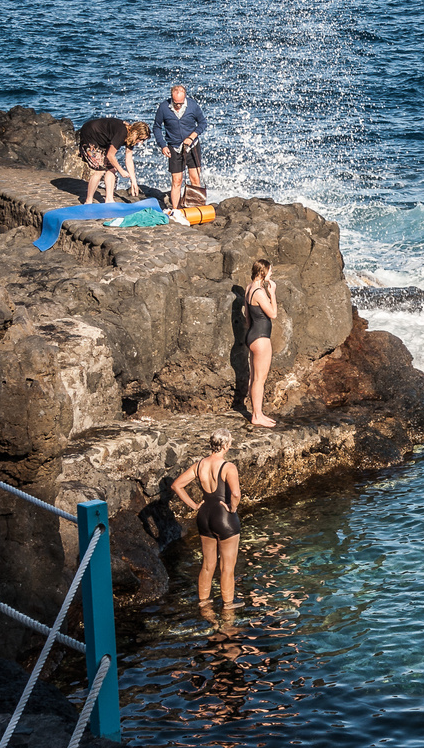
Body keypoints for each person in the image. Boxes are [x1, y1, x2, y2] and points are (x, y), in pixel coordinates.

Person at [170, 430, 244, 608]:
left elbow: (176, 485)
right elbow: (235, 493)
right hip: (224, 519)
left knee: (208, 565)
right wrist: (232, 508)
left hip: (204, 517)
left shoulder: (199, 465)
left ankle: (204, 604)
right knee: (227, 568)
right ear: (226, 446)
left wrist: (195, 506)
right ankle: (228, 606)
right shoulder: (228, 467)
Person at [155, 84, 206, 211]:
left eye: (181, 103)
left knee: (195, 178)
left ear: (185, 98)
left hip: (192, 146)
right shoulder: (163, 107)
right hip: (174, 147)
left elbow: (202, 123)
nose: (178, 106)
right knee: (177, 180)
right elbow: (156, 127)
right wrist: (162, 145)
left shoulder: (192, 106)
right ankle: (176, 209)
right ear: (171, 98)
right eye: (176, 103)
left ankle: (197, 207)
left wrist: (192, 136)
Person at [78, 118, 150, 204]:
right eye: (141, 139)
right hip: (90, 134)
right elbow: (110, 155)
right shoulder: (122, 133)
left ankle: (109, 200)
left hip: (102, 140)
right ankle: (88, 201)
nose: (141, 142)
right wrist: (121, 170)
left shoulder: (131, 138)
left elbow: (129, 159)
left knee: (112, 169)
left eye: (143, 140)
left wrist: (133, 181)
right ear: (135, 133)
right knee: (100, 170)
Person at [244, 259, 278, 428]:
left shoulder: (248, 288)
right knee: (260, 379)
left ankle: (257, 412)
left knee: (254, 377)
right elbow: (273, 314)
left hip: (252, 335)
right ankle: (257, 415)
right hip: (261, 339)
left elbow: (248, 319)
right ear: (263, 272)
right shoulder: (259, 292)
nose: (271, 274)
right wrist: (273, 293)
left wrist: (252, 335)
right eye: (270, 271)